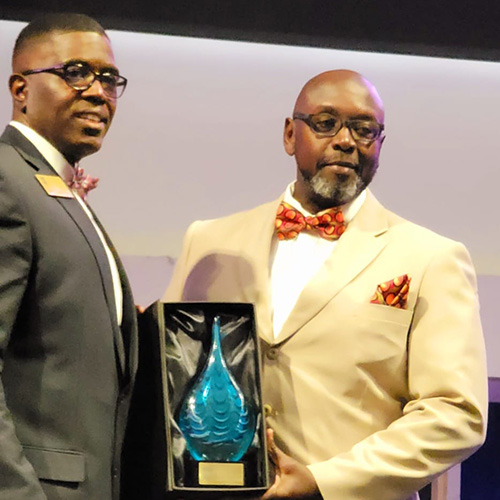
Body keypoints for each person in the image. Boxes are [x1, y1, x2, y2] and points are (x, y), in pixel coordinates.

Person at [164, 70, 488, 500]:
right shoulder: (208, 241)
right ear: (288, 134)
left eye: (364, 129)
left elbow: (456, 413)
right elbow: (172, 374)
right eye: (325, 123)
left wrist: (326, 481)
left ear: (380, 144)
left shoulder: (432, 258)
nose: (345, 140)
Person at [0, 14, 137, 500]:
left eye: (109, 79)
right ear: (21, 89)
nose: (98, 92)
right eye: (76, 72)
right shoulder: (7, 179)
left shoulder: (52, 186)